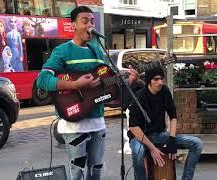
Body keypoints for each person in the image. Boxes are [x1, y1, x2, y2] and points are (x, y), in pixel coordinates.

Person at [36, 6, 139, 180]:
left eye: (92, 21)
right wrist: (75, 84)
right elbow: (43, 80)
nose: (90, 25)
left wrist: (129, 81)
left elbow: (108, 84)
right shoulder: (62, 51)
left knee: (97, 170)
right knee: (77, 172)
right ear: (73, 25)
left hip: (97, 121)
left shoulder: (98, 50)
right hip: (74, 122)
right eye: (85, 21)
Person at [128, 67, 203, 180]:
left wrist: (172, 140)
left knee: (197, 144)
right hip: (140, 137)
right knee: (138, 153)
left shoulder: (164, 91)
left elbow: (173, 116)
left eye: (161, 79)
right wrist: (152, 149)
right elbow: (133, 128)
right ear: (149, 80)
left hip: (159, 134)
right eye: (156, 79)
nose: (160, 82)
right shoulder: (139, 96)